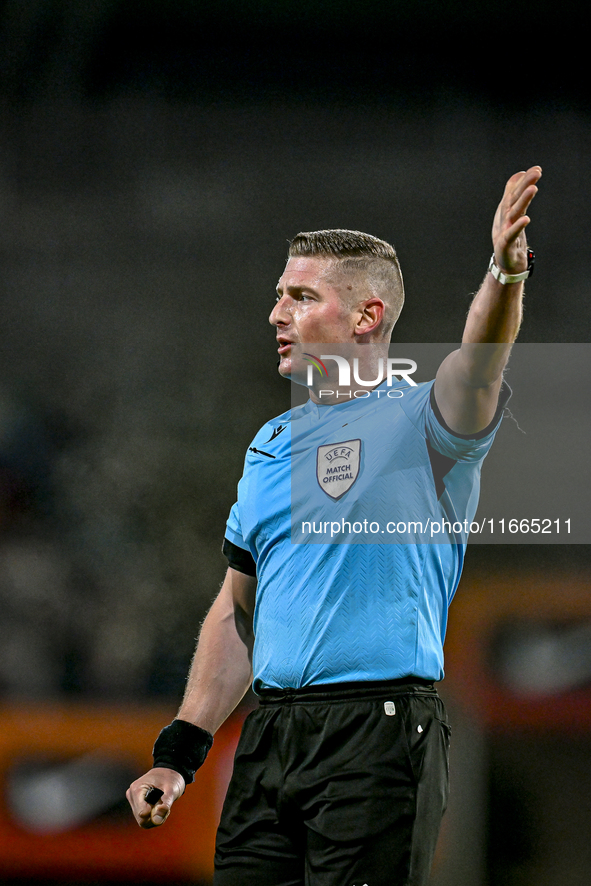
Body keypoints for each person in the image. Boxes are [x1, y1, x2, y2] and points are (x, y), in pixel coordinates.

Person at [127, 166, 542, 885]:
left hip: (377, 733)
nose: (276, 315)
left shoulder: (426, 420)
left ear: (365, 316)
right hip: (269, 738)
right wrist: (180, 752)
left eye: (300, 296)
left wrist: (503, 277)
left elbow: (479, 362)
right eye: (278, 296)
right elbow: (237, 609)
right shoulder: (270, 445)